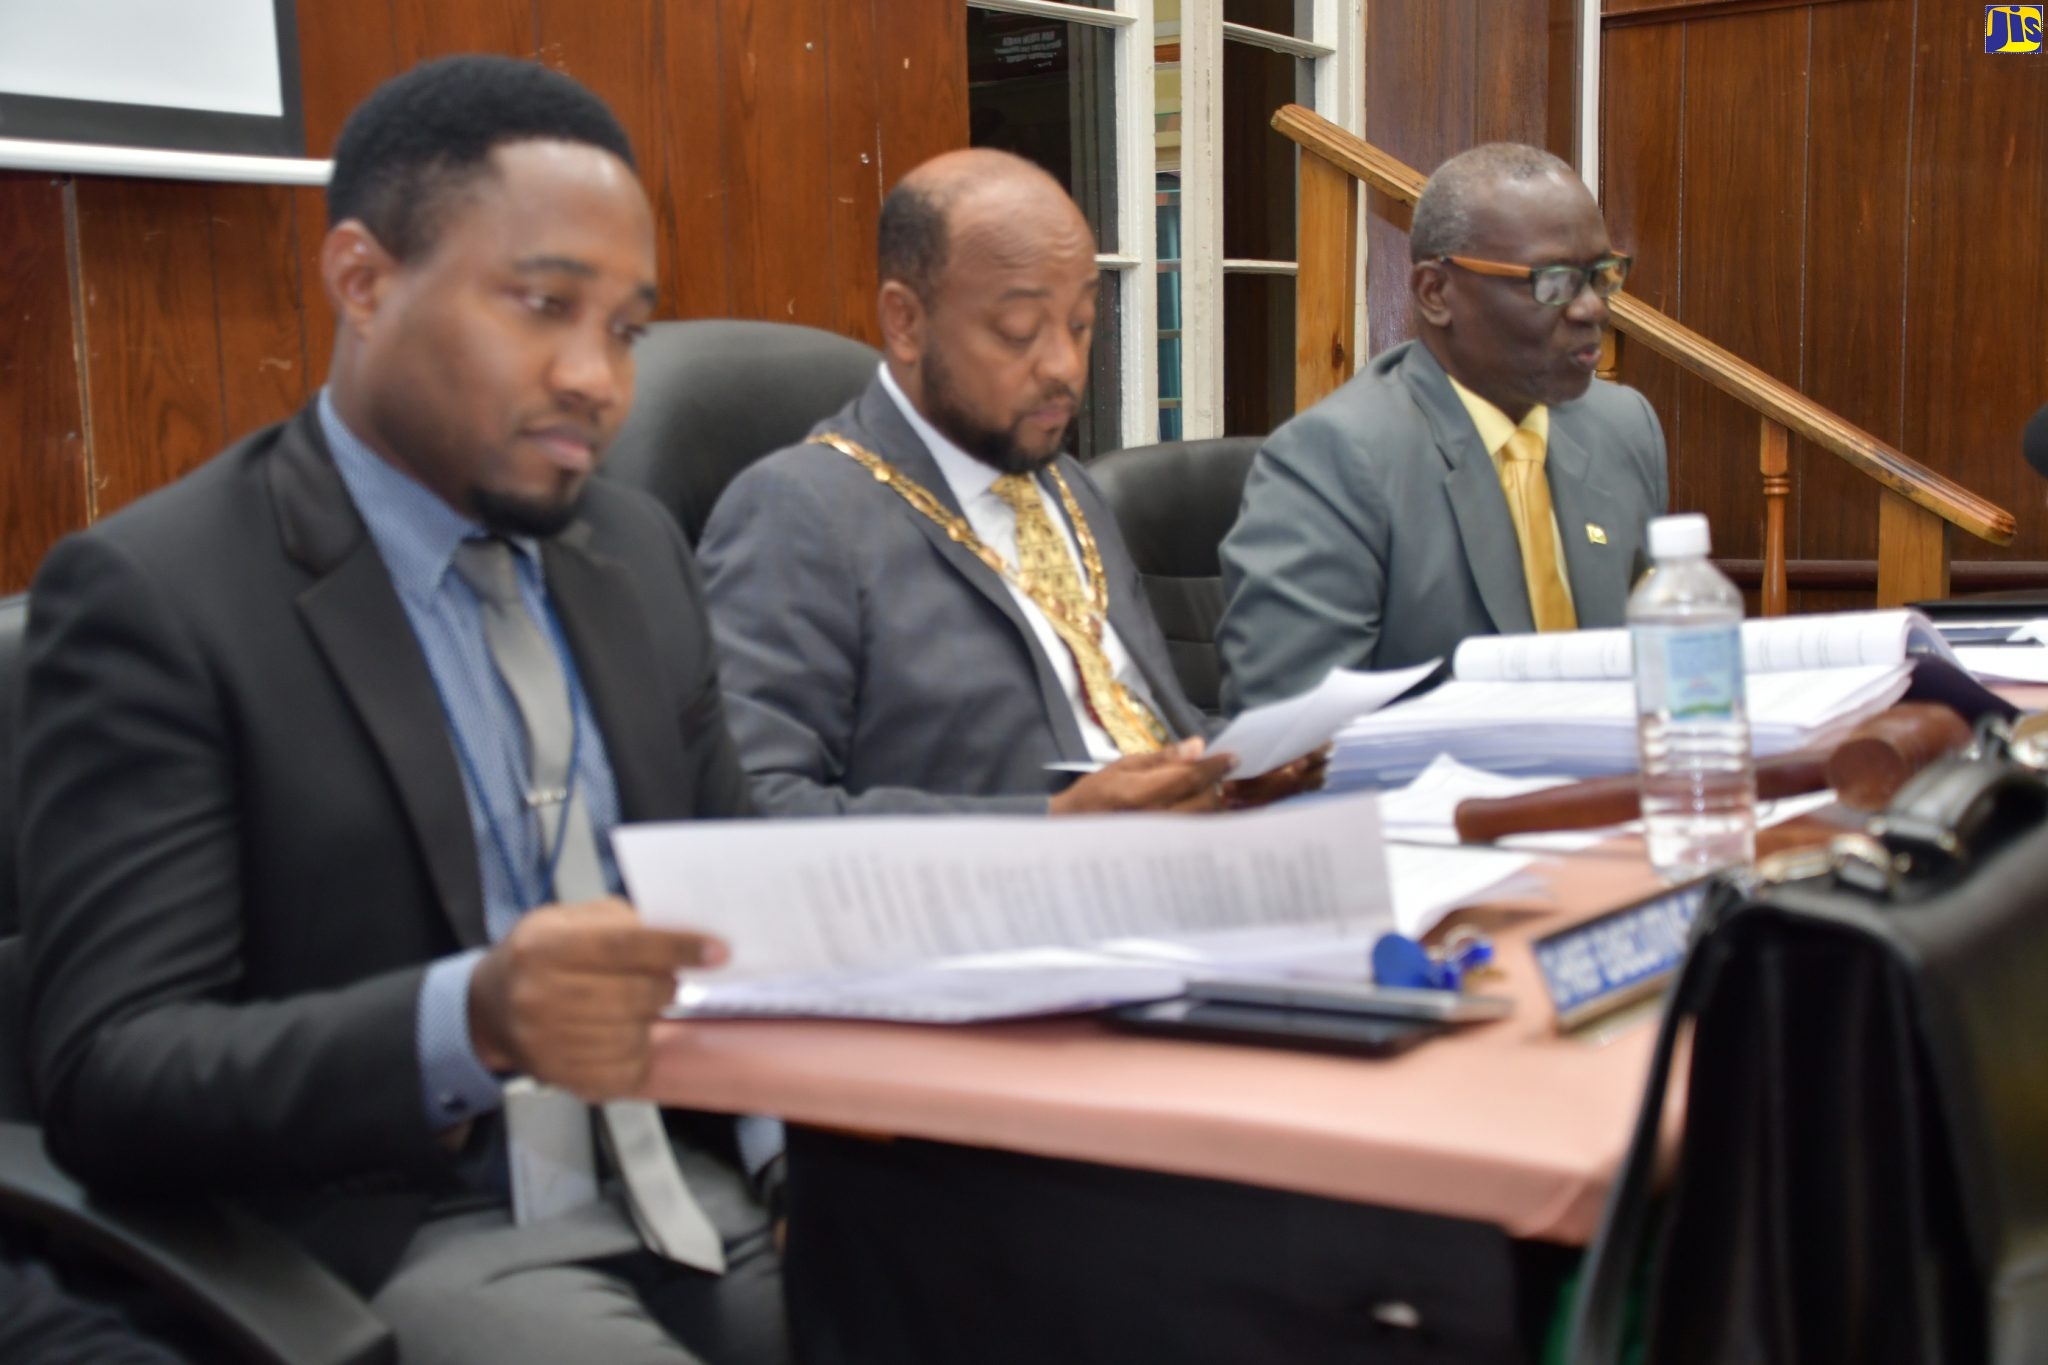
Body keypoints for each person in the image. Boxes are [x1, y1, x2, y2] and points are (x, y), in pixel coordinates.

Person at [17, 56, 784, 1365]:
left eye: (627, 329)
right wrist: (473, 1018)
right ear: (363, 281)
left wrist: (799, 1149)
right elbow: (112, 1079)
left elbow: (736, 896)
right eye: (546, 307)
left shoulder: (638, 551)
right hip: (409, 1235)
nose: (599, 378)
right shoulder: (157, 596)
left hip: (706, 1185)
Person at [698, 149, 1321, 816]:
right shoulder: (798, 512)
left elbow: (1141, 725)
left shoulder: (1067, 486)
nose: (1063, 365)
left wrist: (1248, 762)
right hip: (1006, 913)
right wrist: (1050, 832)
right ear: (905, 322)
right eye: (1019, 331)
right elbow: (753, 808)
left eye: (1081, 325)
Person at [1216, 142, 1669, 711]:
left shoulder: (1624, 427)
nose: (1591, 309)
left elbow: (1657, 659)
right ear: (1435, 293)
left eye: (1601, 276)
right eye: (1552, 282)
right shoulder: (1334, 459)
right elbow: (1287, 736)